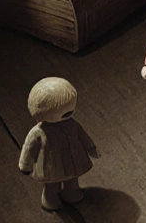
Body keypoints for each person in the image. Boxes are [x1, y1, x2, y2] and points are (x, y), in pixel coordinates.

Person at [18, 77, 99, 211]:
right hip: (51, 163)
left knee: (72, 180)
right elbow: (29, 148)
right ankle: (50, 198)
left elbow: (83, 136)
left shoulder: (72, 125)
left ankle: (71, 192)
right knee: (52, 184)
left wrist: (91, 148)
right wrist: (25, 165)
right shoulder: (39, 132)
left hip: (72, 159)